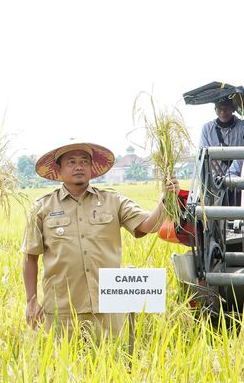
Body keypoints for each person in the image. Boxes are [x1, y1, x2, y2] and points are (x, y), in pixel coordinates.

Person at [22, 141, 178, 338]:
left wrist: (166, 197)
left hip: (109, 307)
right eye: (71, 162)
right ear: (59, 170)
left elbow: (148, 225)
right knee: (62, 366)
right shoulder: (42, 208)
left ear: (91, 168)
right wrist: (31, 300)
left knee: (111, 363)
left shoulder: (113, 201)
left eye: (84, 161)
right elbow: (30, 257)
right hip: (62, 308)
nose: (79, 166)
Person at [199, 97, 244, 206]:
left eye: (226, 109)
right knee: (215, 217)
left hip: (238, 182)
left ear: (233, 109)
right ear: (215, 110)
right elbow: (204, 154)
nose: (223, 112)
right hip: (215, 183)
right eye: (219, 109)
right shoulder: (207, 129)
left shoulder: (242, 127)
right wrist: (216, 179)